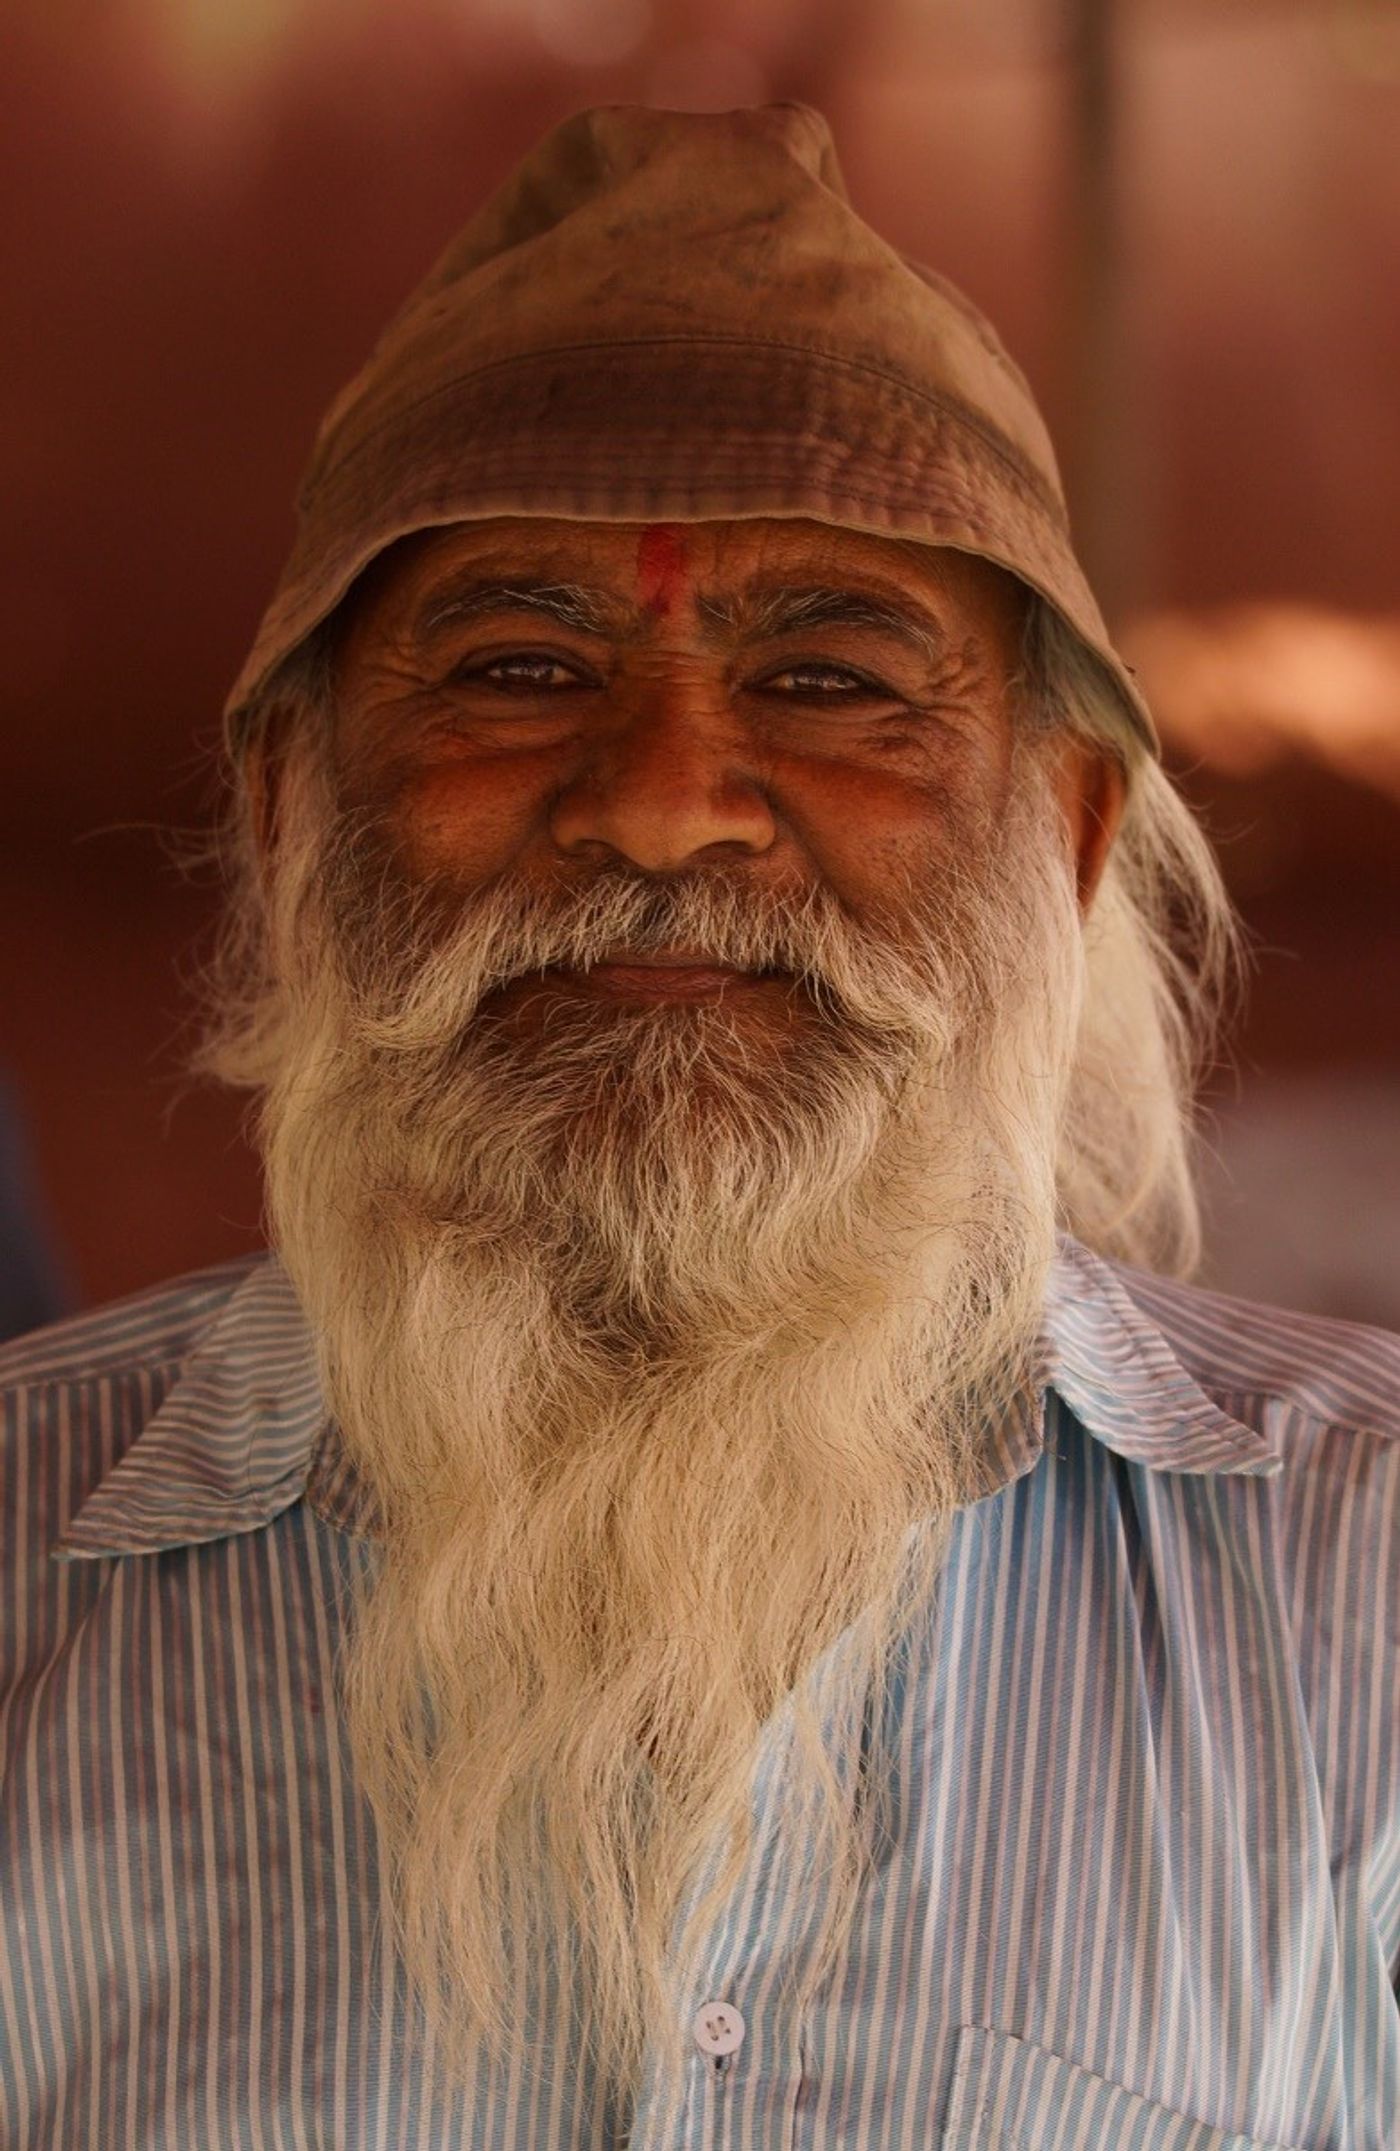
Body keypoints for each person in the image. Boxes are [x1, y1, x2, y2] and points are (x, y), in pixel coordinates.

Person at [1, 102, 1396, 2151]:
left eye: (831, 677)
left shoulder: (1360, 1583)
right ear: (296, 823)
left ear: (1068, 834)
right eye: (516, 664)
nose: (662, 800)